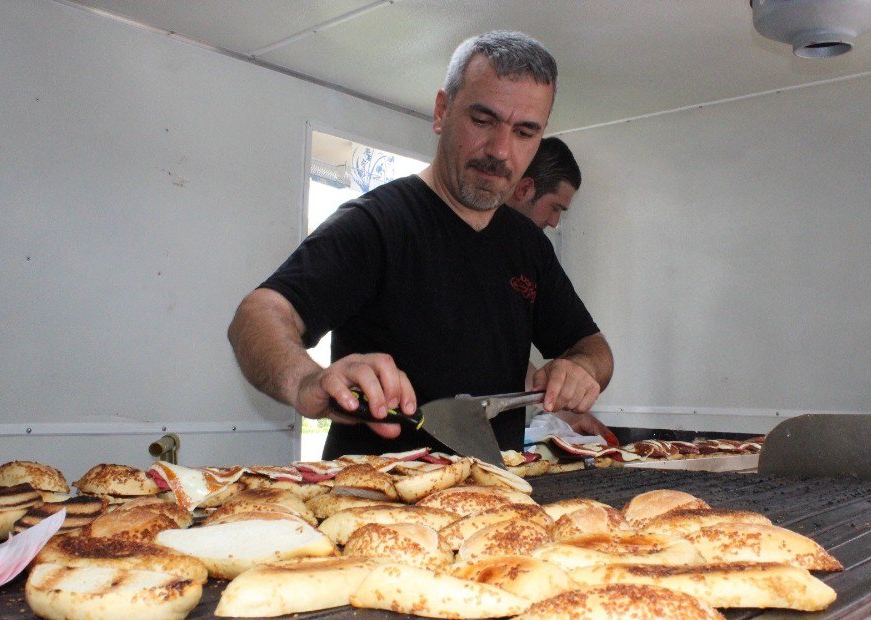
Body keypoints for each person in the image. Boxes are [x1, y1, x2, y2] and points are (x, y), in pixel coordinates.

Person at [228, 30, 613, 459]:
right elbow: (258, 315)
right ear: (442, 112)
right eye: (482, 120)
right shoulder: (377, 223)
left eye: (525, 132)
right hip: (372, 505)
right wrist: (306, 382)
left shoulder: (528, 246)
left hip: (495, 506)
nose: (501, 150)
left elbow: (594, 349)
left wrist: (581, 370)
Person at [507, 137, 619, 446]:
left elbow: (595, 348)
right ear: (524, 188)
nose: (556, 223)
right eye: (555, 208)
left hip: (500, 457)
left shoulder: (534, 253)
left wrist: (570, 388)